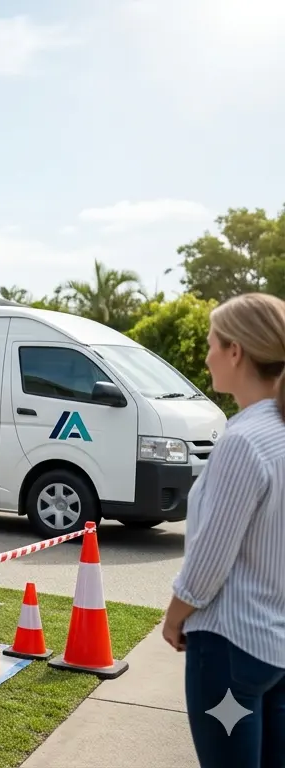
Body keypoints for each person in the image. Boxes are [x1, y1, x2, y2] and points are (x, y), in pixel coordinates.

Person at [163, 292, 285, 768]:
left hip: (230, 646)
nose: (208, 354)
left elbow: (210, 560)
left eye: (213, 343)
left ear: (236, 351)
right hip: (275, 647)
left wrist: (175, 618)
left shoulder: (244, 441)